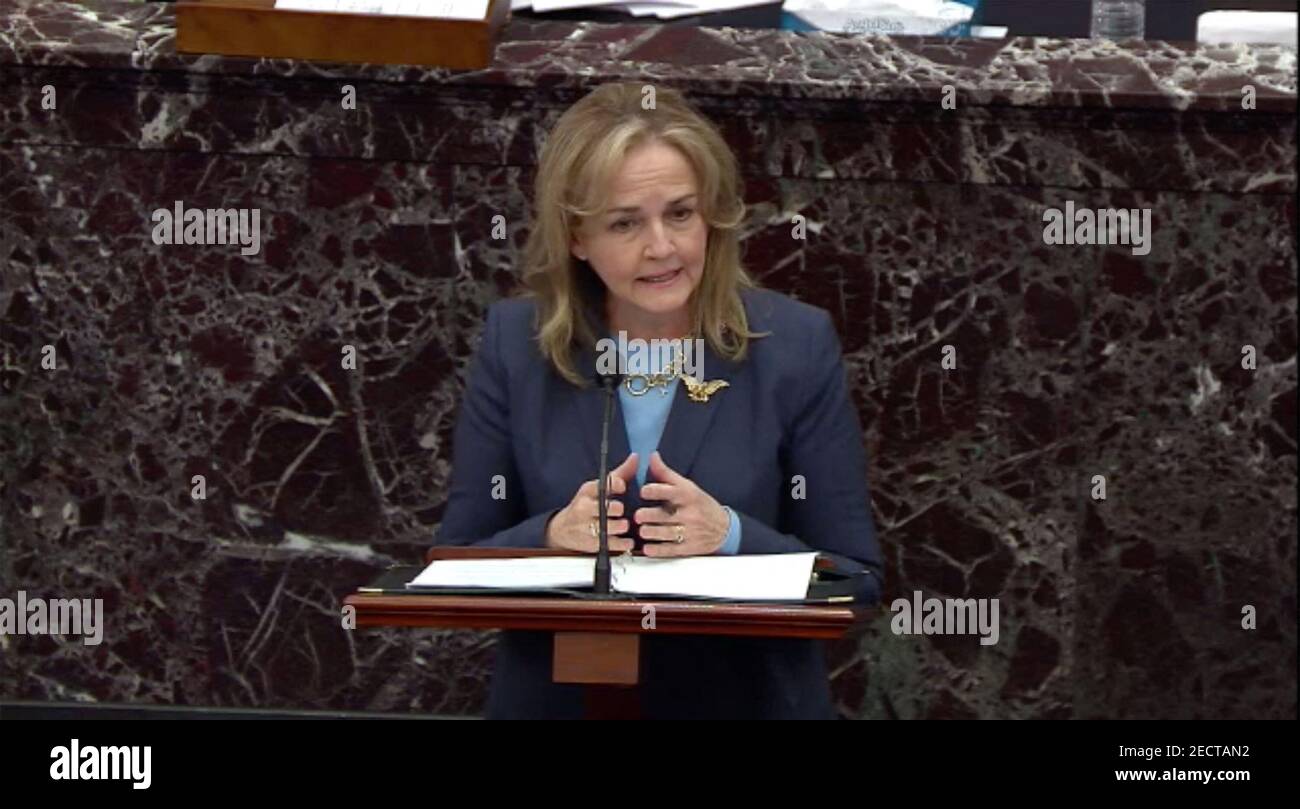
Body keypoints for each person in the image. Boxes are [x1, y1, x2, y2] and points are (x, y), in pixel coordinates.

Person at [434, 81, 883, 719]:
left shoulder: (795, 346)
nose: (662, 247)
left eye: (680, 213)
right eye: (625, 223)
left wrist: (729, 535)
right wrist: (553, 536)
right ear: (576, 237)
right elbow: (457, 564)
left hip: (744, 700)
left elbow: (856, 581)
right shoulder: (517, 344)